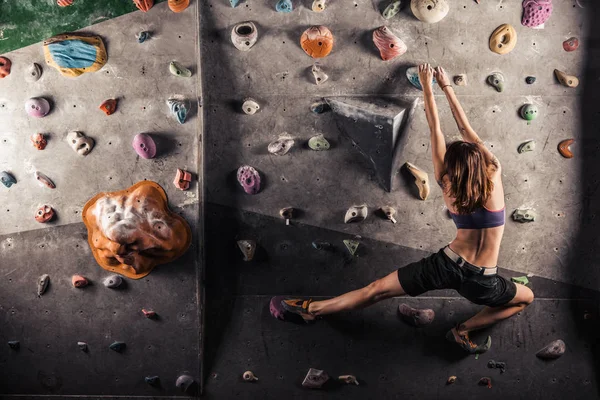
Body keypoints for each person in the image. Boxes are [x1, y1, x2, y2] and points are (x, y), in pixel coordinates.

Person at [271, 64, 534, 353]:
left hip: (446, 265)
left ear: (453, 168)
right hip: (482, 280)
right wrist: (448, 86)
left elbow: (436, 127)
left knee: (376, 291)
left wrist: (428, 85)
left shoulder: (446, 183)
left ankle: (313, 309)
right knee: (527, 297)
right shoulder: (493, 172)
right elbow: (465, 130)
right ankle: (463, 330)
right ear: (479, 161)